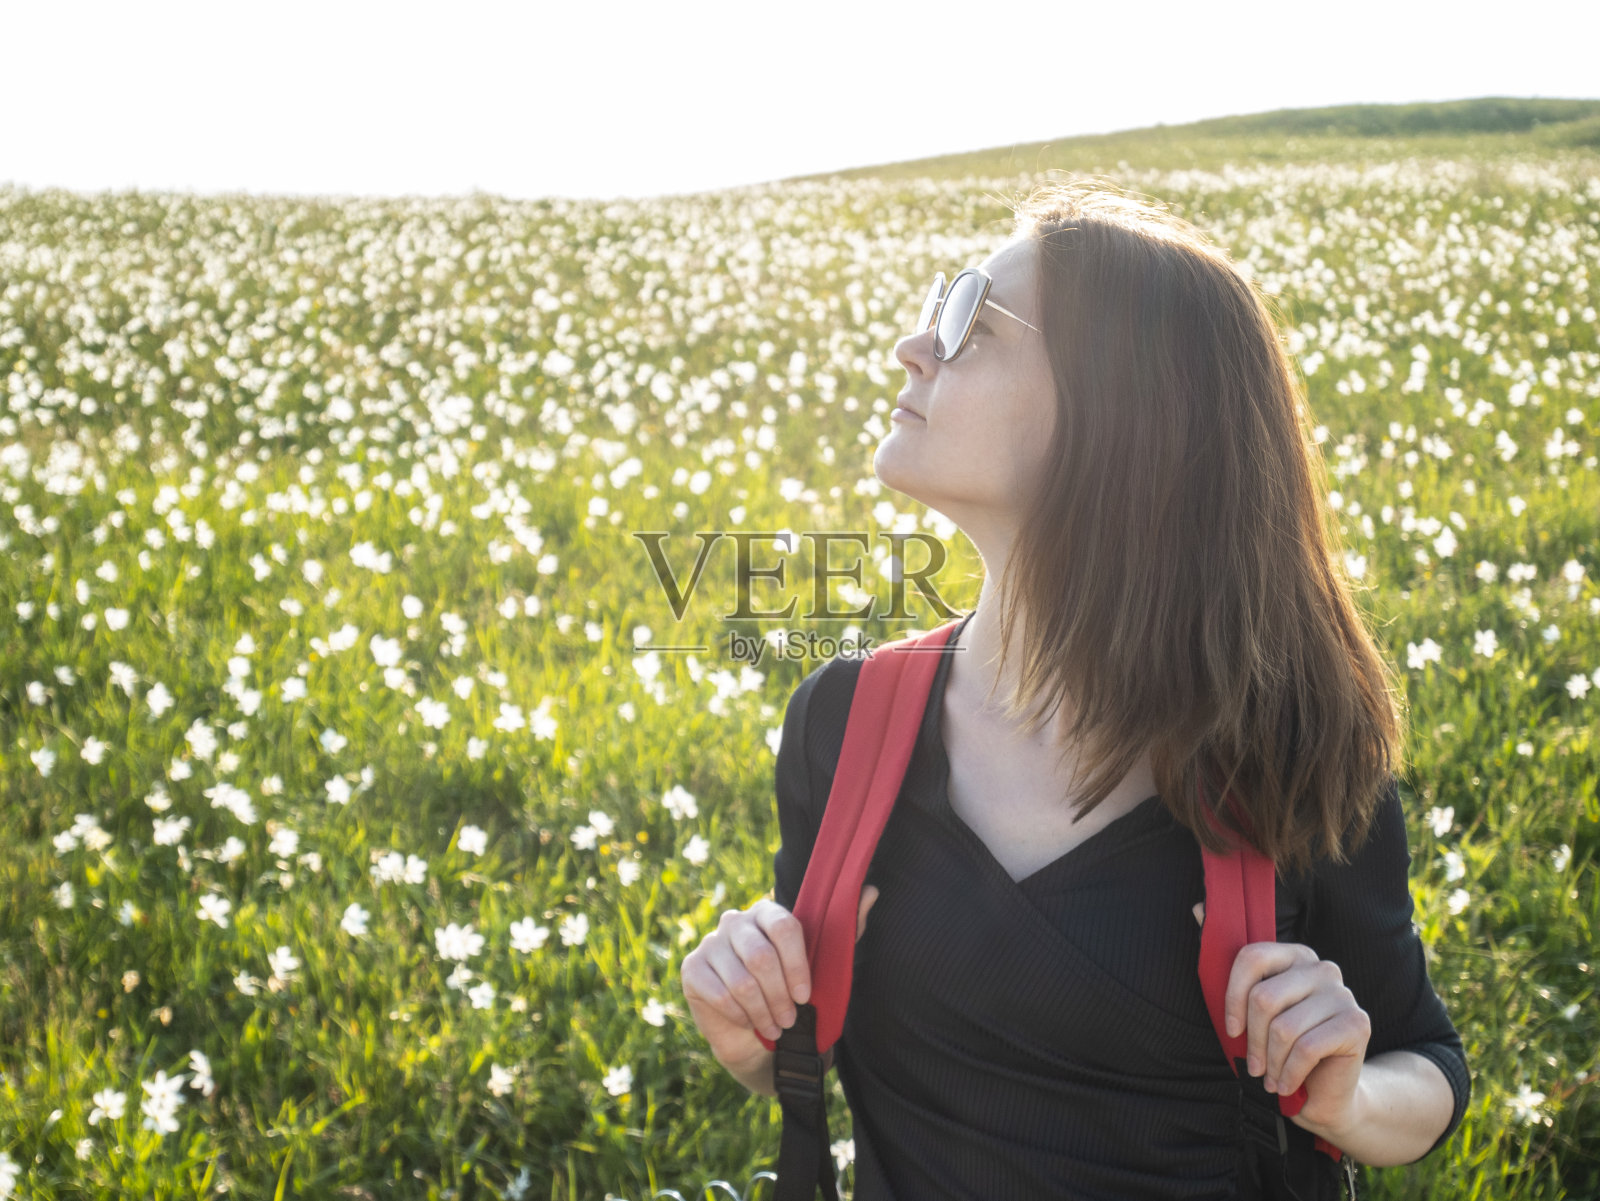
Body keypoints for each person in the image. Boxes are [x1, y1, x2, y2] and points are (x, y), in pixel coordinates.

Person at [679, 180, 1471, 1199]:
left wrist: (1350, 1097)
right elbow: (805, 1036)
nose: (913, 348)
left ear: (1122, 415)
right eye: (940, 303)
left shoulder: (1284, 745)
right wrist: (751, 1032)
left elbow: (1429, 1065)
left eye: (974, 320)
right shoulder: (844, 722)